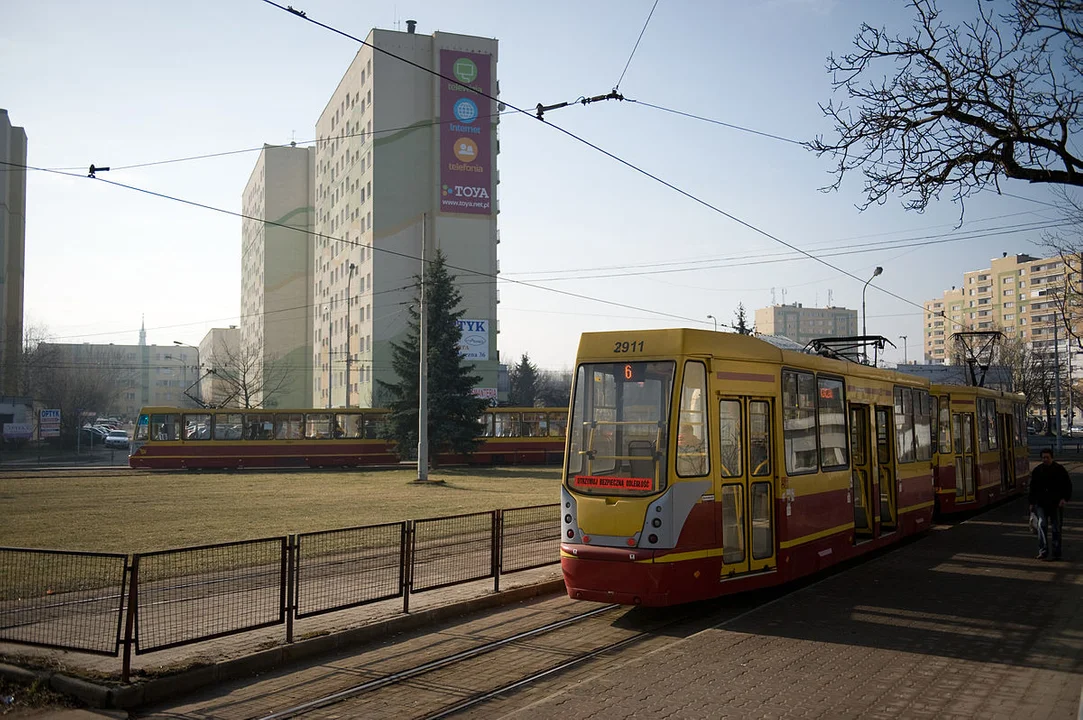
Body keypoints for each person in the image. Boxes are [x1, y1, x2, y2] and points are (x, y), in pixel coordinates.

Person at [1029, 448, 1073, 561]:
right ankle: (1043, 551)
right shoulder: (1037, 470)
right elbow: (1032, 488)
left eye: (1047, 457)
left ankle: (1056, 552)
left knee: (1056, 528)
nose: (1045, 459)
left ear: (1052, 458)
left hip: (1056, 503)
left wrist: (1064, 499)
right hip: (1041, 503)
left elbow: (1067, 486)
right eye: (1043, 457)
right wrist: (1031, 503)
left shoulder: (1059, 470)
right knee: (1041, 525)